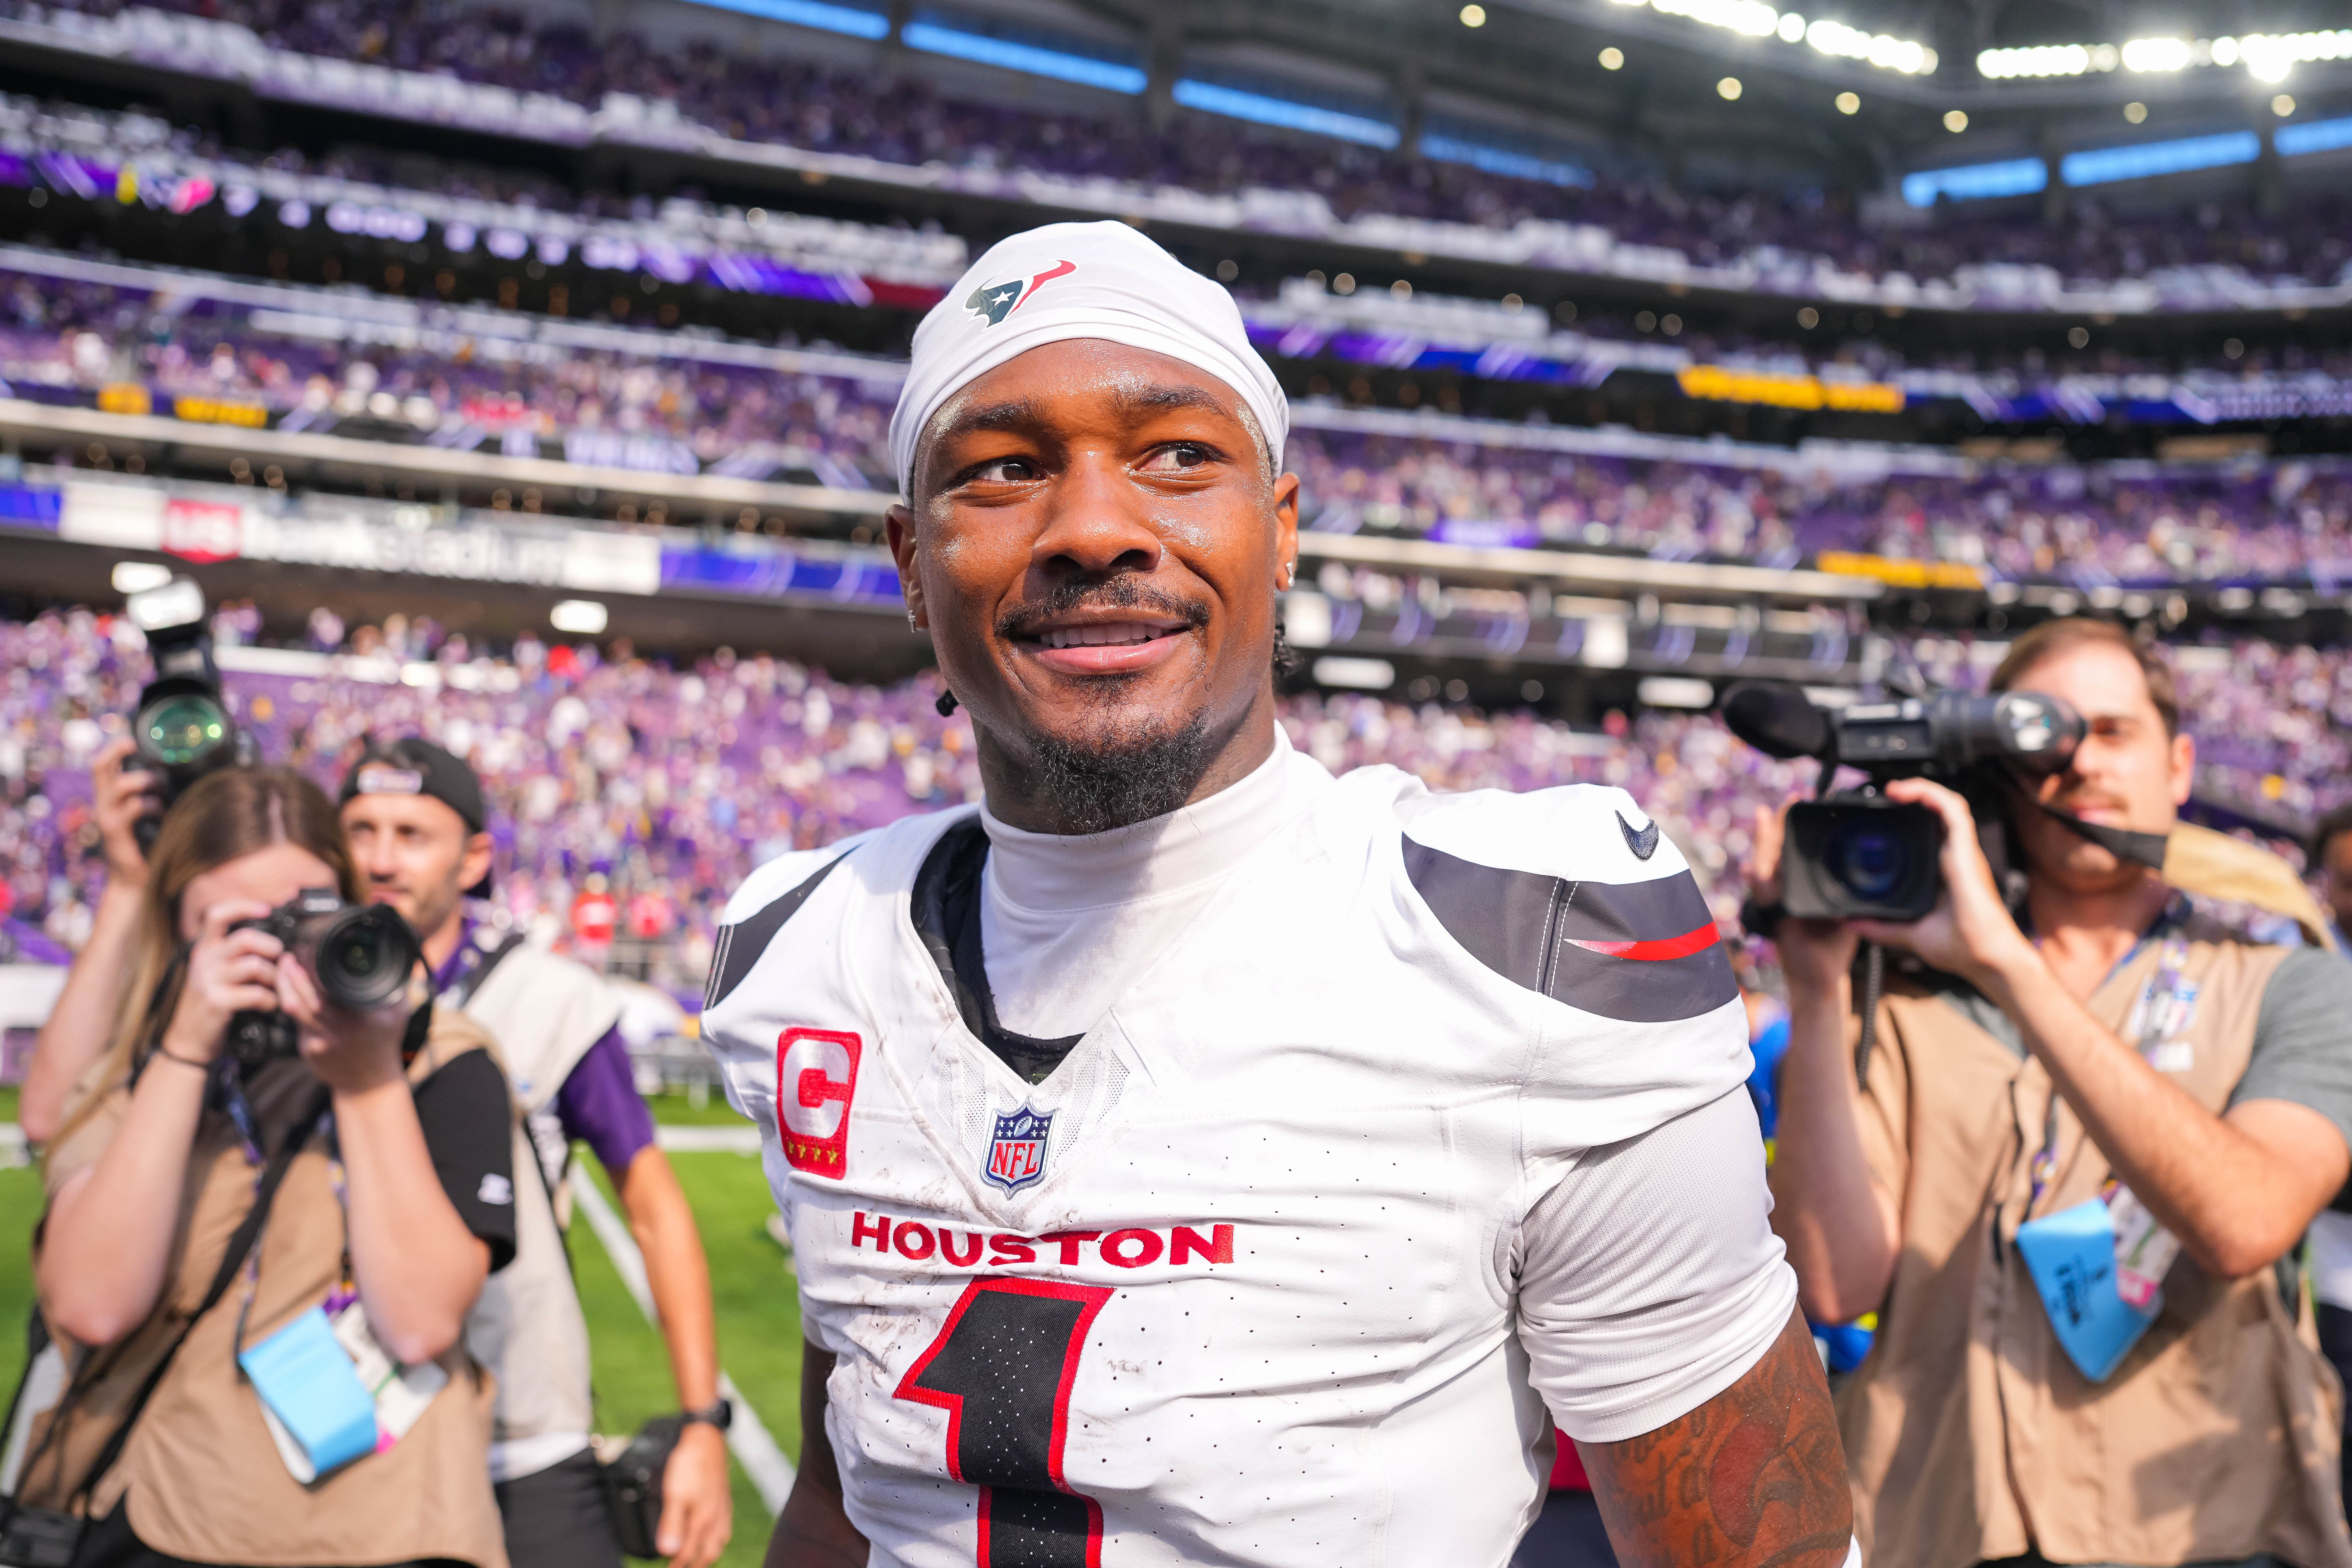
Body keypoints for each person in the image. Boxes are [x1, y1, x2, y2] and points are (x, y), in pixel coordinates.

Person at [700, 219, 1854, 1568]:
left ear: (1280, 528)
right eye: (1003, 471)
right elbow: (854, 1489)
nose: (1091, 528)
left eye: (1177, 455)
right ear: (909, 561)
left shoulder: (1520, 939)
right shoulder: (797, 950)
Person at [1756, 617, 2352, 1568]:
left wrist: (2002, 961)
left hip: (2204, 1536)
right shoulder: (1899, 1000)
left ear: (2180, 764)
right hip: (1931, 1526)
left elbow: (2245, 1218)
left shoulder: (2286, 982)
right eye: (2044, 739)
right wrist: (1818, 989)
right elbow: (1834, 1284)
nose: (2079, 763)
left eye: (2112, 732)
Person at [22, 765, 514, 1567]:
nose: (285, 950)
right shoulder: (138, 1064)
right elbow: (92, 1305)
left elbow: (421, 1320)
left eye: (308, 918)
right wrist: (184, 1052)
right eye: (244, 927)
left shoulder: (441, 1057)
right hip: (169, 1519)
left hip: (398, 1532)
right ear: (180, 933)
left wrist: (367, 1078)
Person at [337, 738, 733, 1568]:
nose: (380, 857)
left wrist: (702, 1421)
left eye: (412, 833)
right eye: (361, 829)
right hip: (335, 1425)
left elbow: (654, 1211)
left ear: (475, 855)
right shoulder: (301, 981)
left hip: (514, 1432)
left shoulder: (552, 998)